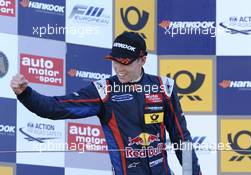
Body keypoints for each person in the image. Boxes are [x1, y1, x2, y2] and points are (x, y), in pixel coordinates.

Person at [10, 32, 201, 175]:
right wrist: (26, 94)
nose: (119, 68)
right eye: (114, 61)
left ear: (142, 60)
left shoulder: (163, 87)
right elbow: (55, 108)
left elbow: (180, 137)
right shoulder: (104, 90)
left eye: (125, 62)